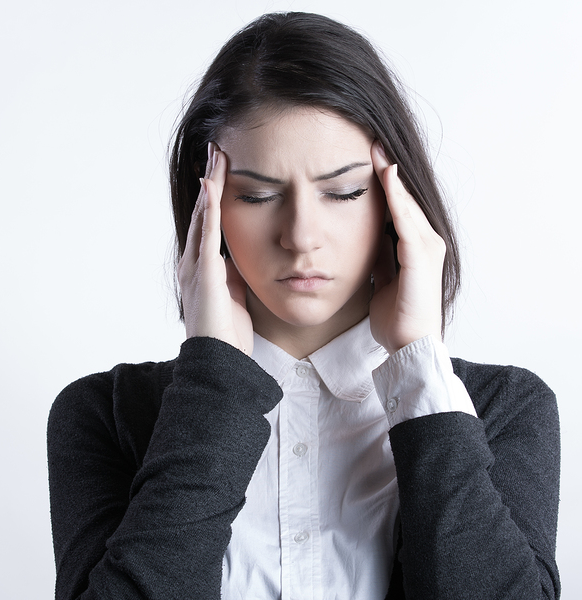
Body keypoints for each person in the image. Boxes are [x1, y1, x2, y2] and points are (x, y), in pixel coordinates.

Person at [47, 12, 560, 600]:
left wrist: (418, 364)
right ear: (205, 206)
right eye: (257, 195)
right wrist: (215, 381)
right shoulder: (103, 415)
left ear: (399, 199)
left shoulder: (505, 409)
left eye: (342, 192)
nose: (301, 236)